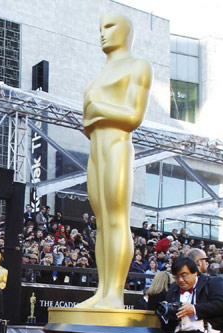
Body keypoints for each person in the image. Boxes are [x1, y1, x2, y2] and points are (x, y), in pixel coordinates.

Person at [78, 13, 152, 309]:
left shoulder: (138, 66)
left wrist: (97, 108)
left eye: (109, 27)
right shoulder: (100, 75)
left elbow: (133, 116)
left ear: (126, 31)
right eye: (100, 28)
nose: (102, 34)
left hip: (118, 146)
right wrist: (98, 111)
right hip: (96, 149)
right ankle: (103, 290)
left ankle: (115, 294)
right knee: (102, 222)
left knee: (117, 218)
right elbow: (87, 122)